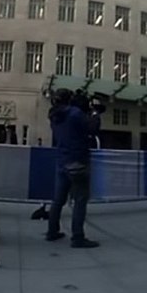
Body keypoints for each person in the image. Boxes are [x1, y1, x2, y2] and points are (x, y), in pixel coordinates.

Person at [45, 89, 101, 248]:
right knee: (80, 200)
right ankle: (78, 237)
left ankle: (52, 231)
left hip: (62, 161)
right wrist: (95, 112)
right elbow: (92, 129)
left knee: (58, 200)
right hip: (78, 161)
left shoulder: (54, 116)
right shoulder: (75, 113)